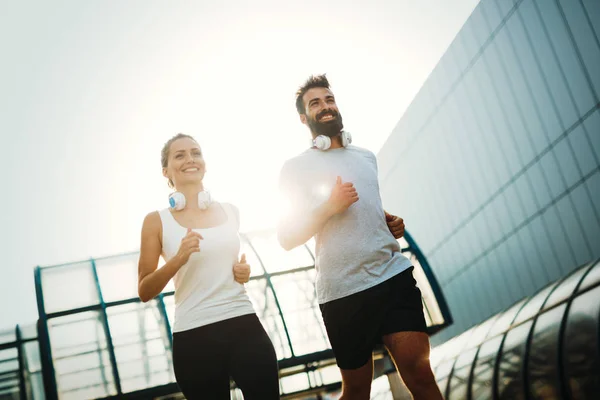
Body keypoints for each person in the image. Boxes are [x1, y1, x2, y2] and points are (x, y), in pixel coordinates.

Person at [277, 75, 443, 400]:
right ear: (303, 118)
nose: (325, 107)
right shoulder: (295, 168)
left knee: (421, 374)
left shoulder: (366, 156)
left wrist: (388, 222)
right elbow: (286, 237)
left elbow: (366, 208)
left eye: (329, 99)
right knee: (356, 392)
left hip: (392, 275)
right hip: (343, 292)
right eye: (315, 103)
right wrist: (328, 207)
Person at [137, 133, 280, 399]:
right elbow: (145, 290)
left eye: (196, 152)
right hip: (194, 336)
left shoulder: (230, 211)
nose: (190, 159)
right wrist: (178, 259)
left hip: (243, 323)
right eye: (180, 155)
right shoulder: (155, 221)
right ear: (166, 170)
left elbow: (227, 266)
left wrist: (242, 272)